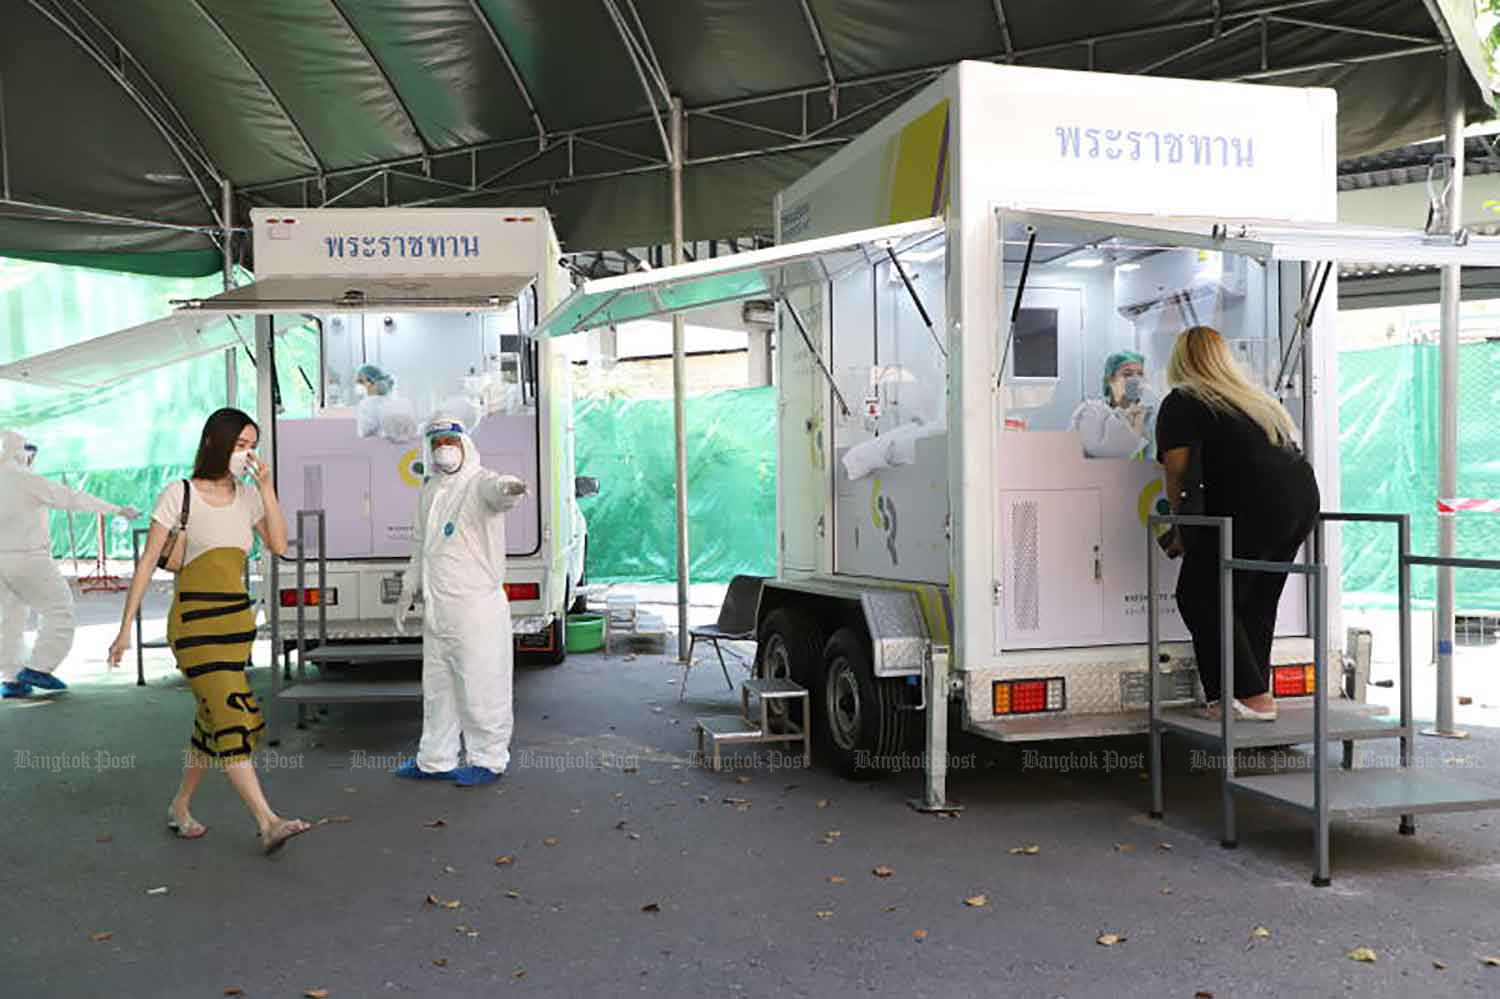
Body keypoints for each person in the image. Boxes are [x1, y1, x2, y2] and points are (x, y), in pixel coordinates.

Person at [107, 409, 311, 853]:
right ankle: (267, 820)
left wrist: (268, 490)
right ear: (214, 443)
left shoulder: (249, 497)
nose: (247, 454)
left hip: (236, 625)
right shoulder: (179, 494)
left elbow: (278, 546)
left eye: (252, 445)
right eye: (239, 445)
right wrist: (125, 629)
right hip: (195, 627)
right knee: (233, 717)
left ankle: (180, 806)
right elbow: (146, 565)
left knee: (212, 720)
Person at [1155, 327, 1320, 722]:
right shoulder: (1252, 399)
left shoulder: (1183, 400)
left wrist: (1180, 525)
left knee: (1199, 596)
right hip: (1299, 501)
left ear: (1179, 360)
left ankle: (1249, 696)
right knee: (1254, 600)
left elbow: (1178, 470)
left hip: (1251, 504)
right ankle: (1248, 698)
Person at [392, 412, 528, 788]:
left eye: (450, 443)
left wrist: (510, 488)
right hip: (439, 611)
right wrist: (408, 587)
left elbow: (497, 493)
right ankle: (435, 759)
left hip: (475, 611)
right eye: (436, 444)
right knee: (438, 689)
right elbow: (420, 546)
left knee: (481, 685)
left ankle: (488, 758)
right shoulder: (430, 491)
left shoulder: (478, 482)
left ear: (464, 445)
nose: (443, 450)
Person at [0, 430, 139, 698]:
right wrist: (117, 509)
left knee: (8, 618)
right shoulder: (26, 480)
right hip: (29, 558)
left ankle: (11, 678)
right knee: (59, 608)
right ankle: (40, 667)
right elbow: (72, 498)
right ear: (21, 452)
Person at [1069, 350, 1157, 459]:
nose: (1135, 380)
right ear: (1110, 380)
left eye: (1140, 374)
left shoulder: (1148, 418)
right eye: (1127, 374)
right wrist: (1127, 419)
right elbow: (1105, 451)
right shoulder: (1092, 411)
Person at [354, 363, 417, 443]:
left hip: (377, 447)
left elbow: (365, 433)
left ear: (371, 382)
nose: (358, 385)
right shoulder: (394, 400)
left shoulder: (366, 405)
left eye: (360, 381)